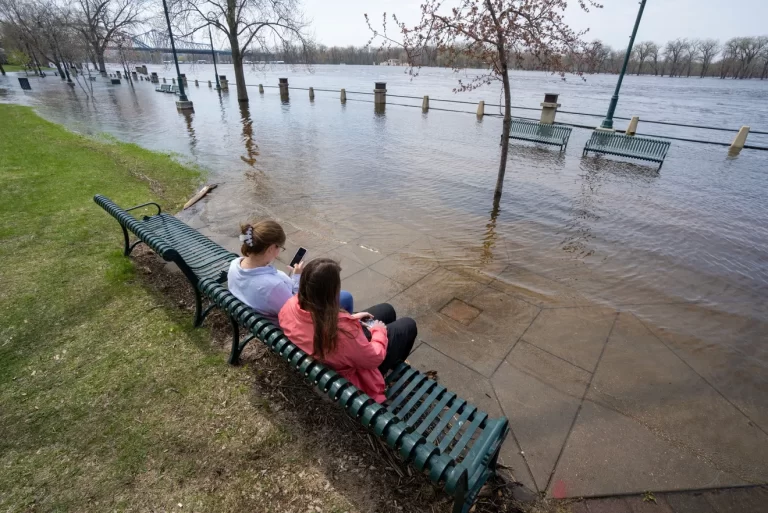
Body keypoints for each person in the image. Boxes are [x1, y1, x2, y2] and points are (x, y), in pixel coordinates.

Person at [278, 258, 417, 403]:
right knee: (408, 325)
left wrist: (351, 318)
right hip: (350, 378)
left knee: (387, 310)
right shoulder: (343, 331)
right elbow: (374, 359)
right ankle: (391, 368)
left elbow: (316, 325)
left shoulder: (290, 305)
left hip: (325, 357)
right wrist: (379, 331)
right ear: (330, 292)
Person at [227, 220, 354, 324]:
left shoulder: (235, 264)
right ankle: (346, 332)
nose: (278, 252)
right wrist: (298, 278)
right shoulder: (272, 287)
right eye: (280, 248)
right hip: (288, 328)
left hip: (259, 321)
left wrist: (295, 276)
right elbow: (298, 310)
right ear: (271, 248)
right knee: (345, 297)